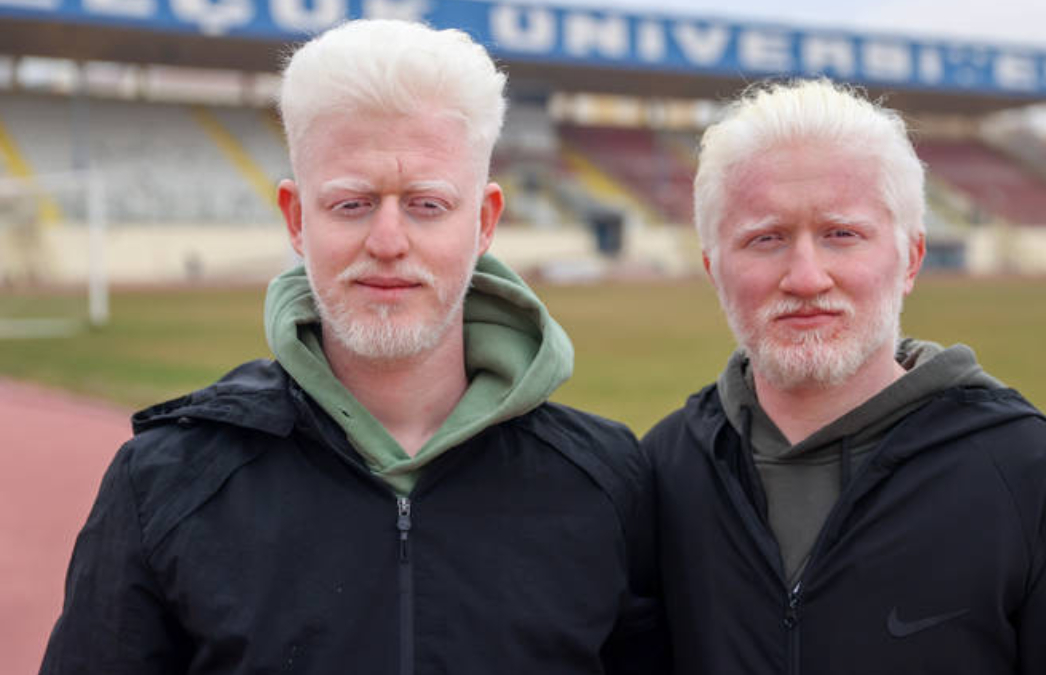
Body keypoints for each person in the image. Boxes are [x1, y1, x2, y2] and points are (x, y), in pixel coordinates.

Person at [41, 20, 662, 675]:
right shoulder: (164, 483)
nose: (388, 241)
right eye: (351, 204)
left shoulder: (606, 482)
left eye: (427, 204)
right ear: (296, 219)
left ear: (483, 222)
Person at [643, 78, 1046, 675]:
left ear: (912, 258)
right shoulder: (663, 472)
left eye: (842, 234)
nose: (806, 277)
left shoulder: (1037, 478)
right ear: (714, 269)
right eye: (766, 239)